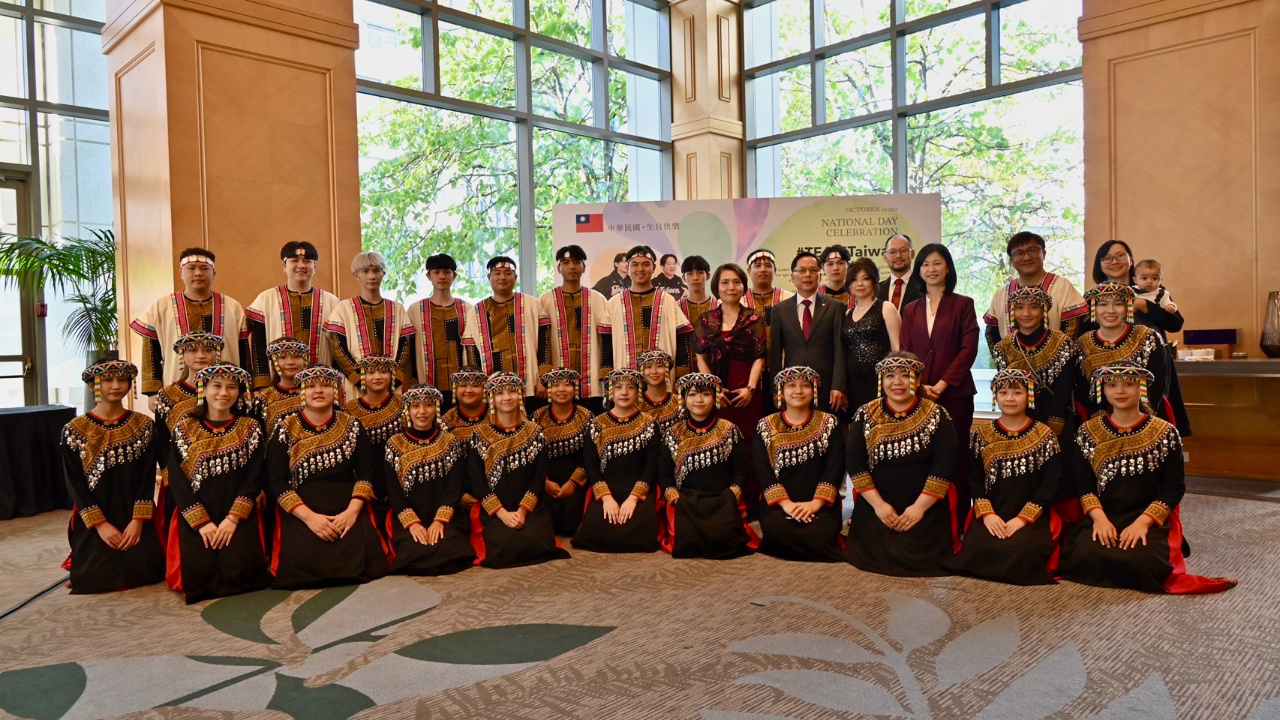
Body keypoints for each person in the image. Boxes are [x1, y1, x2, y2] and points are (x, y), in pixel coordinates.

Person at [1058, 363, 1236, 594]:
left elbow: (1173, 488)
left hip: (1147, 516)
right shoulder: (1088, 432)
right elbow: (1083, 484)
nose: (1120, 391)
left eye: (1128, 384)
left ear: (1141, 387)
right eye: (1112, 385)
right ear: (1103, 390)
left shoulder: (1165, 432)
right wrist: (1099, 519)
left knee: (1142, 563)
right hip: (1106, 514)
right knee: (1082, 556)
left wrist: (1142, 523)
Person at [267, 366, 389, 590]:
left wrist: (352, 513)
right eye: (311, 386)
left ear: (335, 390)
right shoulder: (285, 429)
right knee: (301, 563)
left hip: (347, 505)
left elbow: (365, 473)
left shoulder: (353, 425)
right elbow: (276, 480)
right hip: (302, 509)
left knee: (360, 558)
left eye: (325, 385)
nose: (318, 390)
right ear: (302, 392)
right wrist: (310, 518)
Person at [941, 369, 1062, 586]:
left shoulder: (1045, 435)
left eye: (1017, 393)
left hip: (1031, 512)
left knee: (1021, 550)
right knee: (979, 548)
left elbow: (1050, 483)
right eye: (1003, 392)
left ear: (1029, 396)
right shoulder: (982, 434)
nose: (1010, 398)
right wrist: (987, 514)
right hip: (993, 510)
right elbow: (974, 477)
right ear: (995, 396)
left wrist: (1022, 519)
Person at [843, 353, 959, 577]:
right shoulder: (865, 414)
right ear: (881, 380)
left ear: (918, 379)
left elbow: (945, 464)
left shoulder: (937, 415)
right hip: (878, 500)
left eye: (906, 375)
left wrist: (919, 508)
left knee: (917, 554)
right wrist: (879, 506)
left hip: (925, 501)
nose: (897, 382)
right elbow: (855, 463)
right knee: (875, 552)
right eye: (890, 376)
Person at [167, 364, 272, 603]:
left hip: (238, 512)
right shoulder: (184, 427)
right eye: (217, 386)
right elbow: (177, 479)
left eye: (231, 387)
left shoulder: (251, 427)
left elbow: (254, 477)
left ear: (239, 392)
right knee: (200, 577)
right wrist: (202, 523)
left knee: (242, 573)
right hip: (196, 511)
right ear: (203, 389)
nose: (224, 393)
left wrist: (232, 519)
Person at [61, 359, 165, 594]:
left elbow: (147, 476)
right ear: (92, 386)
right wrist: (100, 525)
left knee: (148, 570)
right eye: (107, 380)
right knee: (93, 578)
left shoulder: (144, 425)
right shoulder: (74, 429)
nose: (116, 385)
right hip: (96, 511)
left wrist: (138, 521)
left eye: (122, 380)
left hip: (135, 510)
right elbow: (74, 482)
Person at [899, 243, 978, 524]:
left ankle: (959, 518)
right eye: (925, 264)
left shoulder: (963, 304)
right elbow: (906, 350)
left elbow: (968, 349)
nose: (931, 269)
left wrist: (942, 385)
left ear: (947, 268)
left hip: (955, 394)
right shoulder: (910, 309)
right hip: (919, 396)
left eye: (937, 263)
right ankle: (927, 517)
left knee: (955, 455)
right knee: (922, 454)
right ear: (919, 271)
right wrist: (919, 387)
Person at [468, 372, 571, 568]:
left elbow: (538, 478)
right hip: (495, 509)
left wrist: (522, 512)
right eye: (500, 393)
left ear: (521, 396)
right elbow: (478, 482)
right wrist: (502, 514)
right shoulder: (479, 435)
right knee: (505, 545)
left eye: (512, 392)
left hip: (530, 508)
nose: (507, 398)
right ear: (491, 399)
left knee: (536, 542)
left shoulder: (534, 432)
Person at [129, 248, 250, 406]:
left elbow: (244, 351)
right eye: (191, 268)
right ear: (181, 273)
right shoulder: (161, 306)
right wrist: (152, 392)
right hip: (176, 393)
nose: (198, 273)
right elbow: (150, 352)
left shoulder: (232, 306)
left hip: (226, 393)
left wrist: (248, 388)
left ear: (214, 273)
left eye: (204, 268)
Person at [657, 373, 758, 559]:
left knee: (726, 539)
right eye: (693, 394)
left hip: (721, 498)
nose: (699, 400)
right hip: (686, 500)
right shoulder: (672, 434)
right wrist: (676, 499)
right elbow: (664, 475)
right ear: (683, 399)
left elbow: (741, 471)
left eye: (705, 394)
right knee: (687, 542)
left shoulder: (729, 430)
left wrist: (732, 495)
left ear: (715, 398)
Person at [694, 263, 766, 513]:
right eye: (725, 282)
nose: (731, 287)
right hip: (716, 393)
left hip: (747, 392)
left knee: (749, 445)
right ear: (716, 287)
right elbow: (700, 357)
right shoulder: (706, 319)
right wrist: (713, 389)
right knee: (719, 444)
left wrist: (751, 388)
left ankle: (751, 502)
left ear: (743, 286)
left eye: (736, 282)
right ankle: (723, 502)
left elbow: (759, 356)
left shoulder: (754, 317)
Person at [383, 384, 476, 576]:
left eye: (428, 405)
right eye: (416, 406)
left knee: (448, 548)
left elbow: (454, 486)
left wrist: (440, 521)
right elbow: (393, 490)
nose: (422, 411)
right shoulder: (394, 444)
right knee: (413, 552)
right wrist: (413, 524)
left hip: (446, 515)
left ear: (437, 408)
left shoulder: (449, 441)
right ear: (408, 410)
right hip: (409, 515)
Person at [753, 367, 844, 562]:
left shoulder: (829, 422)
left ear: (814, 390)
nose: (798, 391)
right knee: (779, 533)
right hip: (781, 503)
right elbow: (762, 470)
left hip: (819, 501)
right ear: (781, 391)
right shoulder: (766, 425)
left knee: (819, 535)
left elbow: (835, 466)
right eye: (791, 386)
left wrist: (815, 503)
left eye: (805, 386)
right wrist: (786, 504)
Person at [572, 369, 661, 553]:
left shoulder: (650, 424)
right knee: (595, 533)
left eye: (630, 387)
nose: (624, 392)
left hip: (638, 488)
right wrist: (606, 498)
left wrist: (633, 498)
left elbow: (652, 466)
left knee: (641, 536)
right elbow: (590, 465)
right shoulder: (597, 424)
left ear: (638, 391)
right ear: (609, 391)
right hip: (607, 488)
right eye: (618, 387)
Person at [154, 331, 225, 533]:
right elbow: (162, 440)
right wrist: (170, 478)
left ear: (216, 354)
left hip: (223, 476)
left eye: (208, 350)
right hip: (181, 478)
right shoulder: (168, 395)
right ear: (182, 356)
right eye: (193, 350)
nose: (201, 355)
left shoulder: (229, 392)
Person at [462, 256, 552, 411]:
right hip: (493, 391)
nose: (502, 277)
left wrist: (543, 378)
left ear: (515, 277)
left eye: (508, 273)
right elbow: (472, 352)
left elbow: (545, 343)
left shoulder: (532, 304)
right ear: (489, 277)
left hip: (532, 387)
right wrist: (478, 386)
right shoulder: (476, 311)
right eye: (497, 273)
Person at [246, 241, 340, 390]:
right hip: (277, 387)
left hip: (321, 387)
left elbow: (337, 350)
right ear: (284, 265)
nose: (301, 265)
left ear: (315, 266)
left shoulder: (332, 302)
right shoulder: (265, 300)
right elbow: (258, 346)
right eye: (295, 260)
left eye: (307, 261)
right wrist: (261, 386)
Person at [325, 251, 417, 402]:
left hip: (391, 385)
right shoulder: (344, 308)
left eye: (376, 271)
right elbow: (338, 348)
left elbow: (405, 347)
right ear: (356, 275)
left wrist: (395, 378)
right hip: (356, 387)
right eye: (365, 271)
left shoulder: (397, 308)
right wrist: (358, 379)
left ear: (383, 273)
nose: (372, 276)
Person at [991, 287, 1079, 438]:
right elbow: (1007, 389)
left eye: (1033, 307)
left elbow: (1064, 387)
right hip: (1019, 421)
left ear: (1044, 310)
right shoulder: (1003, 348)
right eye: (1019, 307)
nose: (1026, 313)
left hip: (1058, 419)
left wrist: (1055, 424)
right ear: (1012, 312)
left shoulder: (1061, 342)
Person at [1075, 283, 1170, 422]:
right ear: (1093, 309)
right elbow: (1083, 387)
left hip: (1145, 415)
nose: (1110, 310)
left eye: (1118, 304)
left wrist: (1142, 416)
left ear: (1128, 308)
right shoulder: (1082, 343)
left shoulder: (1147, 337)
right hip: (1098, 419)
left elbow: (1158, 383)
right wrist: (1100, 416)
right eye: (1103, 304)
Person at [769, 251, 848, 414]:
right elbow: (775, 353)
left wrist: (838, 386)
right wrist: (776, 389)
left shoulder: (835, 307)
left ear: (820, 276)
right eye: (802, 270)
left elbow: (840, 349)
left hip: (826, 387)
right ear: (792, 277)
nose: (807, 275)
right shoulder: (780, 310)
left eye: (813, 270)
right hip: (792, 386)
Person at [983, 232, 1088, 353]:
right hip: (1011, 363)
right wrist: (1004, 359)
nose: (1027, 257)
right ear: (1011, 260)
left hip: (1056, 360)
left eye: (1032, 251)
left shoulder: (1062, 285)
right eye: (1019, 253)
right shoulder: (1002, 293)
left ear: (1044, 253)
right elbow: (992, 333)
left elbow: (1073, 327)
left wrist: (1057, 358)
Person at [600, 245, 693, 376]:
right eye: (635, 265)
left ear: (653, 267)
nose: (640, 269)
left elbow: (682, 339)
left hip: (662, 379)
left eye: (645, 264)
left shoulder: (668, 301)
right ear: (628, 268)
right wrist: (606, 375)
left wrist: (681, 372)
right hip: (625, 381)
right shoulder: (614, 303)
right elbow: (606, 344)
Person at [540, 246, 610, 414]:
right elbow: (541, 341)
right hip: (557, 385)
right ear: (558, 268)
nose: (572, 266)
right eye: (566, 262)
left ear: (584, 267)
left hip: (592, 384)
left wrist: (606, 378)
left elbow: (607, 340)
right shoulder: (545, 300)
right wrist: (543, 376)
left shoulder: (597, 299)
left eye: (577, 262)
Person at [345, 355, 404, 540]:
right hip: (366, 481)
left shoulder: (403, 405)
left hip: (399, 479)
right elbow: (349, 454)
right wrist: (361, 485)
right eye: (371, 372)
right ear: (362, 377)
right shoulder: (349, 410)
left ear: (392, 375)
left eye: (384, 372)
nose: (377, 377)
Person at [1131, 258, 1192, 437]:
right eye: (1144, 278)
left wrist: (1146, 306)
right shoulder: (1128, 291)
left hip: (1154, 351)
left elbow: (1175, 322)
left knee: (1155, 396)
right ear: (1135, 278)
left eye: (1154, 278)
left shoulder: (1161, 293)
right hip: (1126, 350)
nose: (1149, 282)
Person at [531, 368, 593, 537]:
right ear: (548, 389)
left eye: (567, 385)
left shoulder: (587, 417)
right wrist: (545, 483)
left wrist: (573, 484)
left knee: (571, 523)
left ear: (575, 388)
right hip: (546, 482)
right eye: (555, 385)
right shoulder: (537, 418)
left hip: (577, 482)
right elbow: (532, 457)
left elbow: (590, 456)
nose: (562, 389)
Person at [408, 253, 472, 410]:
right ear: (428, 276)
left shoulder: (467, 309)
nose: (442, 276)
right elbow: (409, 349)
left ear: (454, 275)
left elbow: (473, 348)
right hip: (426, 381)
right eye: (436, 272)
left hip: (461, 384)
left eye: (447, 272)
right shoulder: (416, 310)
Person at [842, 258, 901, 412]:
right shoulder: (847, 313)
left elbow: (897, 349)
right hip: (853, 384)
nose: (860, 284)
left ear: (874, 281)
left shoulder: (886, 307)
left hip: (881, 381)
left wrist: (896, 380)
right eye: (854, 279)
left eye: (865, 278)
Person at [742, 248, 793, 360]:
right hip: (748, 362)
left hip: (783, 362)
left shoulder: (790, 299)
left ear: (775, 270)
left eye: (768, 265)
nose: (763, 269)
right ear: (749, 270)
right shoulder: (739, 301)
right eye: (757, 266)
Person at [255, 337, 308, 433]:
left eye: (296, 356)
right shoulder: (264, 399)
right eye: (283, 357)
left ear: (305, 361)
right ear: (274, 362)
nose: (290, 362)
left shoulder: (316, 394)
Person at [678, 255, 718, 380]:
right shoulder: (675, 308)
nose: (695, 277)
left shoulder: (719, 306)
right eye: (690, 273)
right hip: (683, 374)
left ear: (708, 275)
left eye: (700, 272)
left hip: (715, 371)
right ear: (683, 278)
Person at [636, 349, 682, 432]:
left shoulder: (679, 403)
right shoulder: (634, 404)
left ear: (667, 370)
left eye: (659, 366)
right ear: (642, 371)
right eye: (648, 367)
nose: (654, 371)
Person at [878, 235, 921, 311]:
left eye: (903, 251)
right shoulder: (877, 290)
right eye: (892, 252)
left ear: (912, 254)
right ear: (885, 257)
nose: (898, 256)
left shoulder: (924, 285)